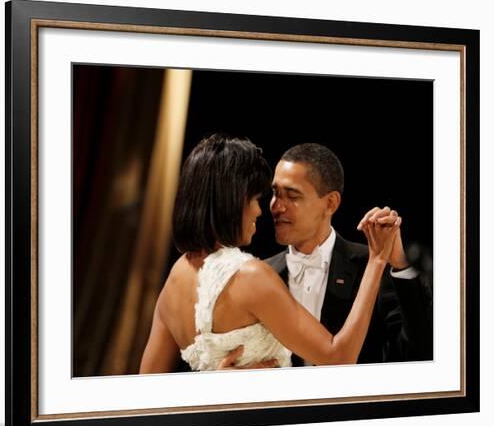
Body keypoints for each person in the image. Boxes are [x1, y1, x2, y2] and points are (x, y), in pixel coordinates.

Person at [139, 134, 402, 373]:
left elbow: (148, 389)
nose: (261, 210)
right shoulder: (251, 275)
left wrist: (212, 383)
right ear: (232, 201)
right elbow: (339, 357)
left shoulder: (175, 277)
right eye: (255, 199)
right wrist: (378, 259)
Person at [222, 143, 431, 367]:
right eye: (275, 193)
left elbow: (420, 350)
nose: (275, 206)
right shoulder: (258, 275)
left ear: (330, 203)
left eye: (292, 195)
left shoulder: (371, 266)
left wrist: (400, 265)